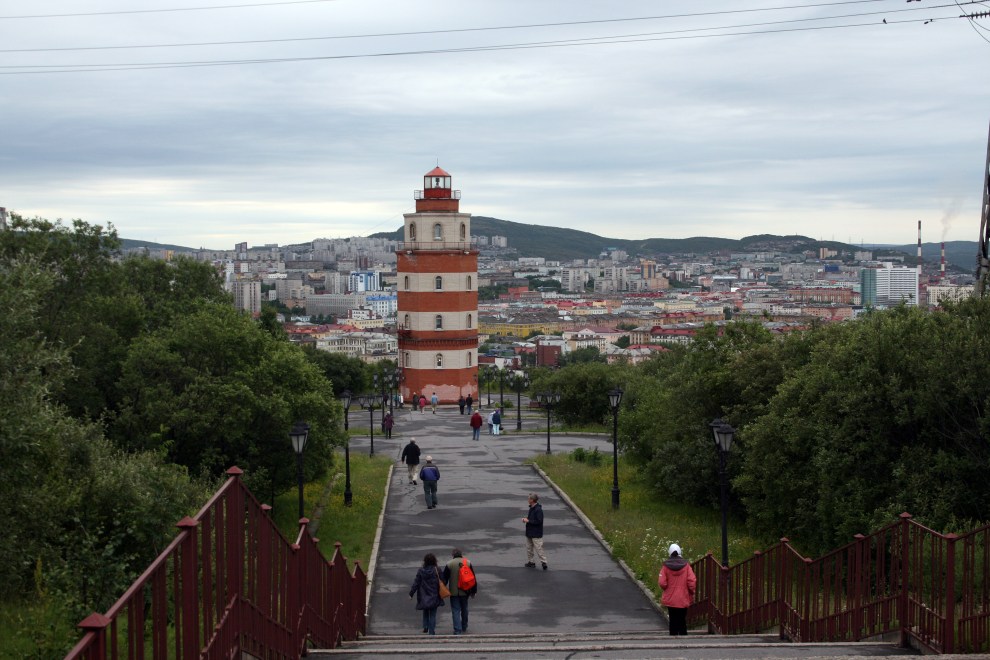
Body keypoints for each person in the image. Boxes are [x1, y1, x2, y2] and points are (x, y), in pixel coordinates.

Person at [658, 543, 696, 636]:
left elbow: (662, 582)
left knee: (673, 620)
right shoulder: (686, 566)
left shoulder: (665, 566)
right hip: (683, 597)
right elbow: (692, 581)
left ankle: (673, 638)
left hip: (670, 598)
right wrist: (691, 591)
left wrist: (667, 588)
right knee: (682, 619)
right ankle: (684, 638)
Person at [442, 548, 477, 635]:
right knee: (464, 609)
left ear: (453, 555)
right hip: (465, 591)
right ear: (461, 554)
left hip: (454, 592)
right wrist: (473, 591)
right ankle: (464, 626)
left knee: (455, 610)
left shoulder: (449, 564)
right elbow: (473, 578)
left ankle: (457, 630)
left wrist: (441, 589)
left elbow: (444, 579)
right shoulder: (467, 562)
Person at [409, 553, 444, 635]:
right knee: (432, 614)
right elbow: (443, 581)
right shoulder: (437, 570)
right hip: (434, 594)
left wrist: (411, 593)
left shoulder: (421, 571)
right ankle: (431, 632)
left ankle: (425, 626)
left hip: (423, 594)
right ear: (434, 561)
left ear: (425, 561)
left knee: (425, 610)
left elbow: (416, 583)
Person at [522, 492, 547, 570]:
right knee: (529, 548)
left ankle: (544, 562)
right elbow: (531, 518)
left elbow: (539, 521)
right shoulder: (532, 508)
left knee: (539, 548)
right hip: (529, 532)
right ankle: (531, 562)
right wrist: (527, 520)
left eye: (529, 498)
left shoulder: (538, 510)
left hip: (536, 532)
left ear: (532, 500)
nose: (528, 499)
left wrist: (528, 521)